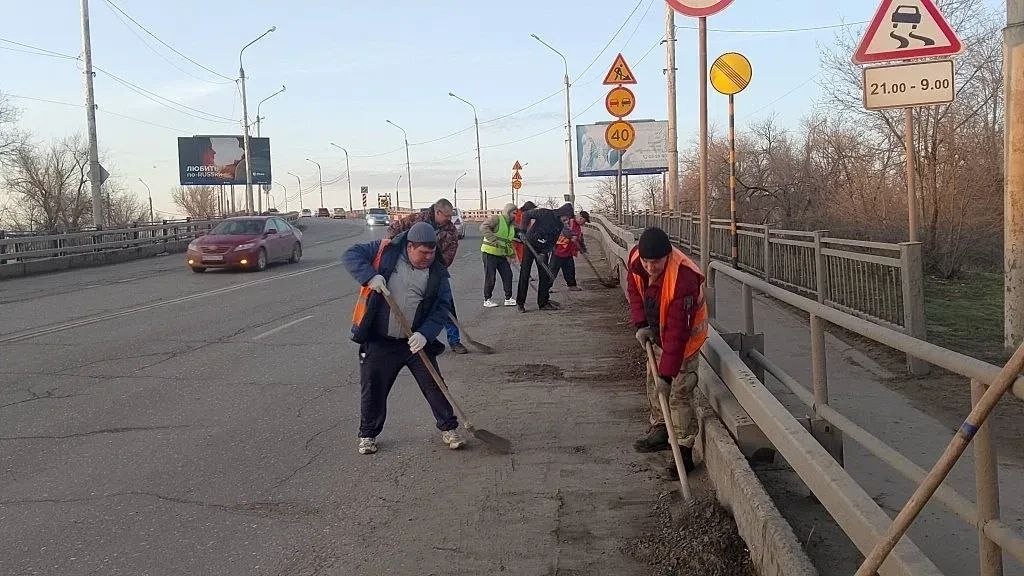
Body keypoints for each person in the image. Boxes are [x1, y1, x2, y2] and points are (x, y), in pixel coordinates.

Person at [343, 221, 466, 455]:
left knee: (434, 385)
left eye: (432, 253)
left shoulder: (437, 273)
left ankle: (449, 428)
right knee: (373, 389)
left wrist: (425, 334)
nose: (428, 258)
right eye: (423, 253)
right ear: (410, 247)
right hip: (381, 341)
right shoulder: (386, 251)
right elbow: (351, 254)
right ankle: (368, 435)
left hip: (414, 342)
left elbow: (441, 308)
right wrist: (370, 276)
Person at [627, 227, 708, 473]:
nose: (650, 267)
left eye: (656, 262)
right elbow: (635, 292)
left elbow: (677, 332)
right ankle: (661, 430)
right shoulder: (635, 260)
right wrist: (641, 324)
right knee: (653, 383)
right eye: (647, 261)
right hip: (658, 333)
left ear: (667, 255)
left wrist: (667, 374)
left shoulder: (683, 277)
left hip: (685, 342)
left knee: (678, 394)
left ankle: (683, 452)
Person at [387, 199, 467, 354]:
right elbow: (393, 231)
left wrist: (434, 267)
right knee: (413, 304)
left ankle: (454, 340)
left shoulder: (450, 231)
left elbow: (450, 253)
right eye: (447, 216)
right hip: (406, 268)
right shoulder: (416, 220)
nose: (450, 219)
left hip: (434, 271)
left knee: (446, 304)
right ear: (437, 212)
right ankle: (408, 337)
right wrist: (399, 254)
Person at [515, 203, 575, 312]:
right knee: (525, 273)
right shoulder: (545, 213)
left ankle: (543, 303)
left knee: (545, 275)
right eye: (566, 218)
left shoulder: (559, 225)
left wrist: (543, 253)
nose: (566, 221)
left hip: (542, 249)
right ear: (562, 213)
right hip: (530, 244)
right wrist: (522, 231)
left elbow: (552, 242)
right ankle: (520, 303)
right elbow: (526, 214)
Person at [480, 203, 518, 308]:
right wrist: (493, 239)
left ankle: (508, 298)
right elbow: (483, 227)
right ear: (508, 212)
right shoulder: (496, 219)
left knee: (508, 275)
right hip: (489, 253)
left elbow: (508, 242)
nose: (515, 215)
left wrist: (512, 255)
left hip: (501, 255)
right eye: (514, 213)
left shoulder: (511, 226)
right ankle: (487, 299)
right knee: (490, 277)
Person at [550, 210, 590, 292]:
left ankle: (572, 285)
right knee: (552, 270)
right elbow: (563, 231)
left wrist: (583, 250)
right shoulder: (569, 222)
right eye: (584, 221)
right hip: (559, 250)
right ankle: (545, 287)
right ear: (581, 218)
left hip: (568, 252)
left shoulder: (578, 227)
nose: (584, 224)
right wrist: (571, 237)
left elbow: (580, 239)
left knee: (570, 269)